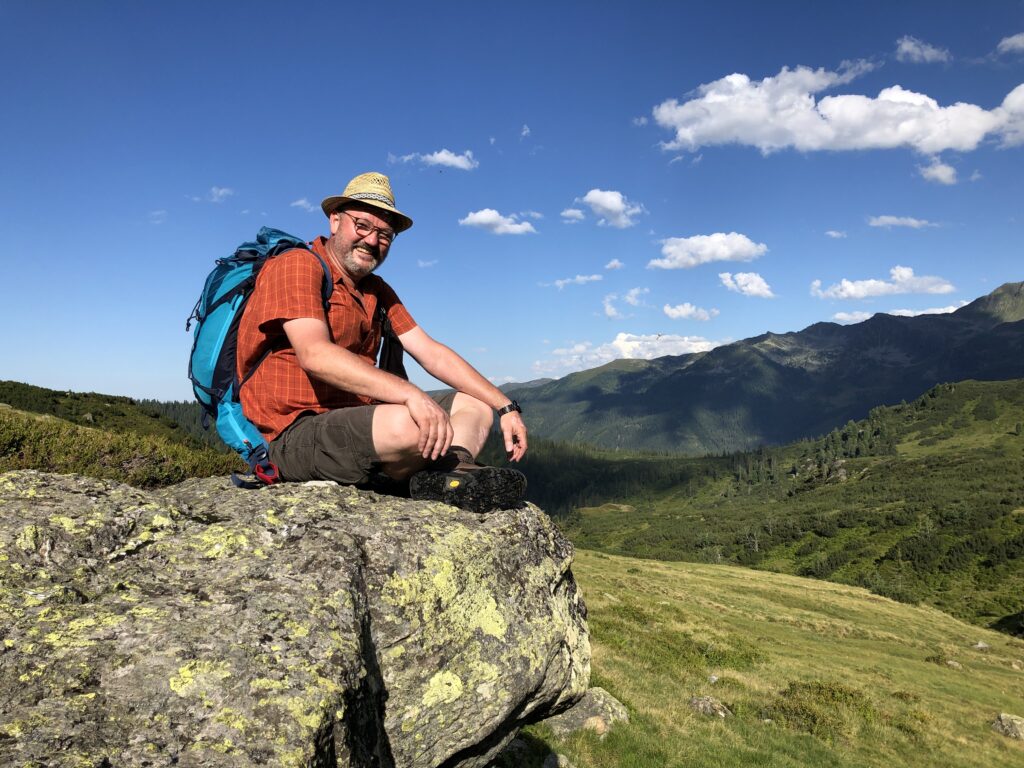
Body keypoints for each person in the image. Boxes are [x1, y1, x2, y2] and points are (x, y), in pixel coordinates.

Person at [236, 171, 528, 512]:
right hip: (292, 433)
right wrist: (410, 395)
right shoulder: (297, 265)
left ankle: (446, 476)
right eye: (362, 225)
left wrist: (504, 406)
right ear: (335, 221)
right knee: (410, 422)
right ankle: (438, 472)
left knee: (474, 401)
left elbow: (430, 352)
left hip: (359, 422)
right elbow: (315, 354)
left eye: (384, 235)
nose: (372, 241)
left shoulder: (377, 290)